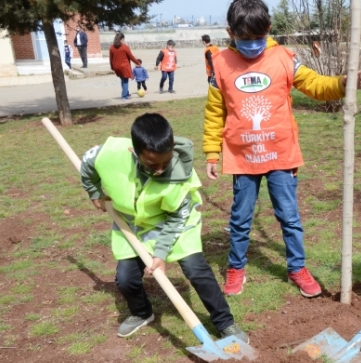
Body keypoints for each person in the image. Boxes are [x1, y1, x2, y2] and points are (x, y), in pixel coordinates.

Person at [203, 0, 361, 298]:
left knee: (289, 217)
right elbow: (215, 113)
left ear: (268, 30)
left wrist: (343, 84)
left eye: (258, 38)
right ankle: (235, 268)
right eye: (245, 39)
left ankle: (297, 268)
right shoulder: (220, 64)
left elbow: (316, 85)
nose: (253, 45)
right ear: (231, 32)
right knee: (240, 218)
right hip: (243, 159)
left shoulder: (284, 58)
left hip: (281, 155)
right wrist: (212, 152)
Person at [80, 113, 249, 343]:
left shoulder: (180, 175)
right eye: (152, 164)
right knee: (125, 279)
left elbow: (176, 219)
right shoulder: (109, 155)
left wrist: (160, 254)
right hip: (133, 222)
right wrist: (94, 193)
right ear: (134, 152)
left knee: (195, 268)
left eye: (165, 162)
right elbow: (88, 162)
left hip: (175, 220)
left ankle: (225, 323)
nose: (160, 169)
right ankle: (141, 313)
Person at [109, 33, 140, 101]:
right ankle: (124, 96)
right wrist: (137, 63)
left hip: (116, 67)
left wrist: (112, 67)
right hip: (124, 67)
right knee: (125, 81)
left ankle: (127, 93)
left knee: (123, 80)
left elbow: (111, 59)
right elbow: (131, 57)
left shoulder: (111, 47)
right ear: (122, 39)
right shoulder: (125, 47)